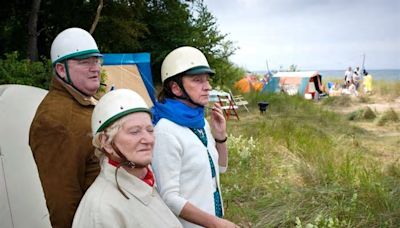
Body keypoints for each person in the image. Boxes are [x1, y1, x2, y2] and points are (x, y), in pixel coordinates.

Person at [151, 46, 237, 228]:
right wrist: (216, 224)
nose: (208, 87)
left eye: (207, 80)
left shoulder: (201, 122)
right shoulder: (166, 130)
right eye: (197, 80)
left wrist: (220, 136)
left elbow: (220, 169)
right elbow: (169, 197)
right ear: (176, 88)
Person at [72, 89, 183, 228]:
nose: (148, 139)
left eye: (150, 130)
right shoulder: (102, 210)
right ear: (106, 142)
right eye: (135, 131)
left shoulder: (145, 182)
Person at [29, 27, 102, 228]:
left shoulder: (86, 101)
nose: (95, 67)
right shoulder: (54, 121)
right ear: (61, 69)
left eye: (96, 60)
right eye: (84, 61)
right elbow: (63, 203)